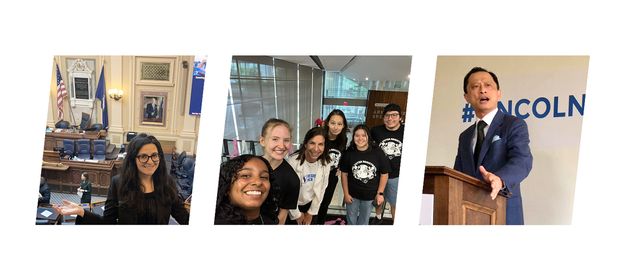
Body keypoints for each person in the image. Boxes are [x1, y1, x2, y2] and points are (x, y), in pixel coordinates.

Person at [454, 67, 533, 225]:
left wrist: (500, 179)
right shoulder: (465, 136)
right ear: (466, 97)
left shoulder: (514, 125)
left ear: (499, 93)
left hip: (503, 211)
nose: (482, 90)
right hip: (468, 215)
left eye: (488, 85)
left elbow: (522, 160)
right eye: (475, 86)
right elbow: (457, 174)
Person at [54, 133, 189, 224]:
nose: (150, 161)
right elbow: (108, 222)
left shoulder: (167, 182)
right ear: (133, 159)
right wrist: (82, 211)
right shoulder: (118, 183)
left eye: (154, 155)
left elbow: (184, 218)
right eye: (143, 156)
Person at [340, 124, 390, 225]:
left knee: (364, 220)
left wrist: (380, 193)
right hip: (352, 194)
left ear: (368, 137)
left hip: (370, 195)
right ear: (353, 137)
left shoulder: (377, 152)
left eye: (363, 135)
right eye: (357, 135)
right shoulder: (349, 152)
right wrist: (345, 194)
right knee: (351, 219)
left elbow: (384, 174)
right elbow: (344, 174)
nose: (360, 138)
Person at [215, 154, 278, 225]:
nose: (258, 182)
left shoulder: (270, 221)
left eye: (263, 177)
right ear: (227, 187)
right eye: (245, 176)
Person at [259, 118, 300, 224]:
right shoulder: (247, 166)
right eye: (275, 139)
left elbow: (282, 216)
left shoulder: (292, 180)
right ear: (262, 141)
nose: (281, 146)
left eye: (286, 140)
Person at [287, 127, 331, 225]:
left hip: (311, 204)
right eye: (312, 143)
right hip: (292, 205)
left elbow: (322, 189)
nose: (316, 149)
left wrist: (311, 213)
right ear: (305, 144)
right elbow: (288, 191)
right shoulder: (293, 162)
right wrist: (297, 215)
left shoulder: (326, 163)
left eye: (320, 144)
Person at [370, 103, 404, 224]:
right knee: (378, 200)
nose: (390, 118)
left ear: (400, 117)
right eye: (387, 116)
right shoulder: (375, 131)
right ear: (383, 117)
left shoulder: (407, 131)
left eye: (394, 115)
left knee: (395, 203)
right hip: (379, 174)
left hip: (397, 175)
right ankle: (378, 217)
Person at [316, 109, 348, 225]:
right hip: (316, 176)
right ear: (327, 123)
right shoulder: (320, 137)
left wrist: (340, 167)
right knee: (314, 202)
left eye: (339, 124)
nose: (336, 127)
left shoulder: (343, 139)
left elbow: (342, 154)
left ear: (343, 125)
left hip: (331, 177)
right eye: (333, 123)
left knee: (325, 204)